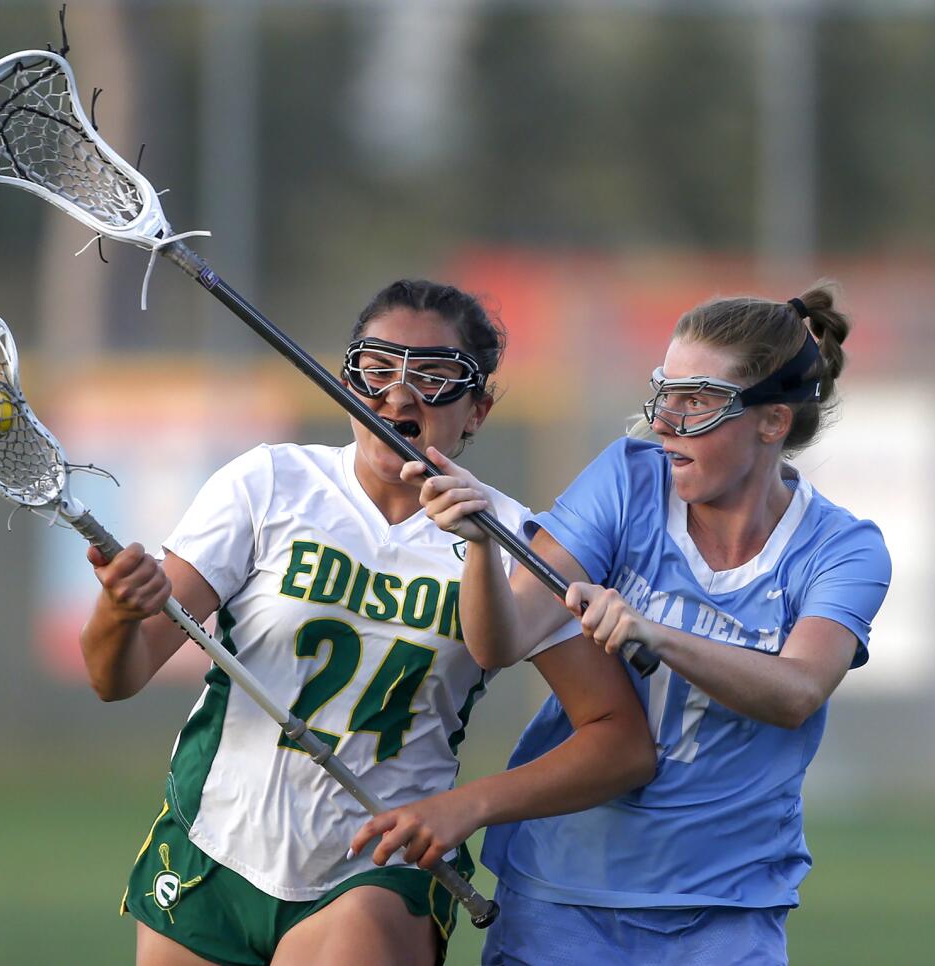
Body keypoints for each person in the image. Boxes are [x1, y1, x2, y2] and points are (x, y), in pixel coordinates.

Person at [79, 279, 655, 966]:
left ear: (478, 410)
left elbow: (621, 741)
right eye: (377, 370)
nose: (399, 396)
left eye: (435, 376)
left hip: (374, 869)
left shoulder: (512, 541)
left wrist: (467, 807)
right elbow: (117, 675)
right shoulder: (268, 484)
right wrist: (118, 610)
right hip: (212, 846)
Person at [351, 282, 891, 965]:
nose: (666, 422)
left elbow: (796, 691)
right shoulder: (627, 480)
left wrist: (654, 634)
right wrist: (483, 546)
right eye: (663, 394)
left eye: (696, 402)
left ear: (772, 422)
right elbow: (504, 638)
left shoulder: (844, 547)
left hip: (726, 910)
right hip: (563, 899)